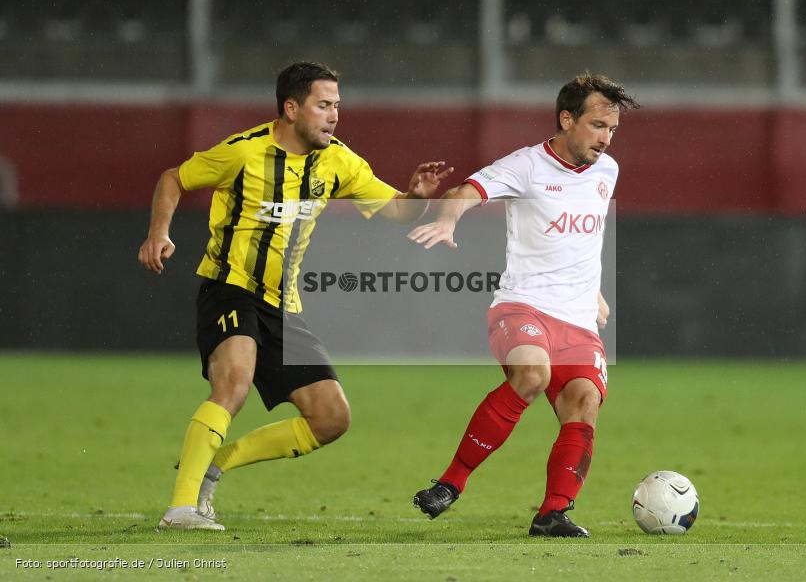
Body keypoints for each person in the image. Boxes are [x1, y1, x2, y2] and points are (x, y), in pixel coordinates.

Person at [139, 61, 453, 531]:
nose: (334, 117)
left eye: (337, 107)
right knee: (233, 385)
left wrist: (417, 196)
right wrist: (158, 232)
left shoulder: (339, 161)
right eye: (324, 106)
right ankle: (181, 508)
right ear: (291, 108)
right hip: (231, 288)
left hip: (283, 306)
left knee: (331, 419)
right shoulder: (243, 153)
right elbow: (173, 178)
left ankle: (213, 460)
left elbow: (396, 213)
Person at [408, 73, 638, 537]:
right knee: (533, 374)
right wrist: (449, 221)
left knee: (583, 403)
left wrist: (591, 289)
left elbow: (585, 234)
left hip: (578, 320)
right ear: (566, 119)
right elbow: (462, 194)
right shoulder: (527, 166)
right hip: (523, 307)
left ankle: (553, 513)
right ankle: (450, 485)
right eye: (597, 126)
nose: (606, 139)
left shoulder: (606, 171)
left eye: (612, 129)